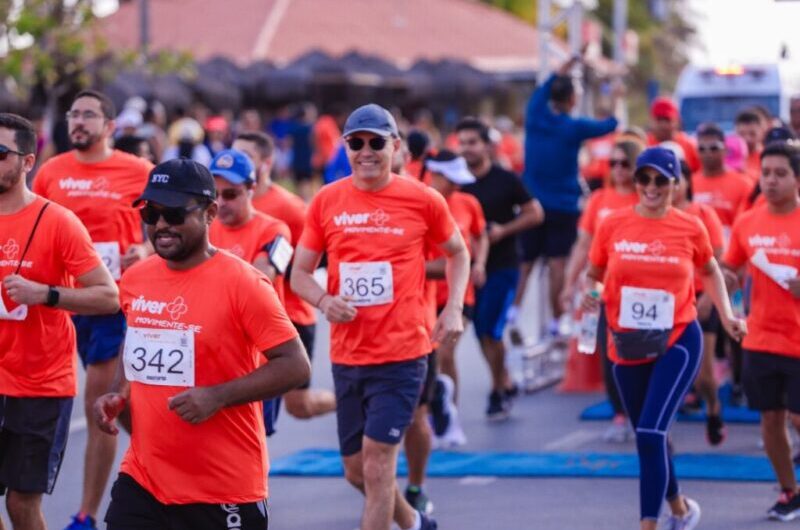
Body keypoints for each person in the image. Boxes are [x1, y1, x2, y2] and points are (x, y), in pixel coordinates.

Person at [96, 158, 310, 530]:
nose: (161, 224)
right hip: (145, 478)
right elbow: (136, 335)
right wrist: (118, 390)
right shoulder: (136, 278)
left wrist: (217, 396)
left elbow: (295, 365)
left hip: (222, 486)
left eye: (175, 213)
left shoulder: (244, 283)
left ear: (210, 213)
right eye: (151, 212)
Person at [291, 103, 470, 530]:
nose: (366, 151)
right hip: (349, 356)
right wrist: (324, 300)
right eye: (356, 143)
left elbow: (458, 253)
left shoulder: (423, 199)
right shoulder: (327, 200)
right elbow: (299, 274)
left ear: (395, 146)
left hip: (403, 354)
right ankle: (415, 524)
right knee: (356, 470)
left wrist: (454, 307)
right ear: (346, 147)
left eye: (376, 143)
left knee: (376, 467)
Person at [585, 146, 745, 529]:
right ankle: (680, 509)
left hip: (676, 337)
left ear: (676, 184)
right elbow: (594, 275)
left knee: (651, 431)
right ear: (635, 181)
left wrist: (727, 314)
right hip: (626, 342)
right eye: (644, 178)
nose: (651, 187)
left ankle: (648, 524)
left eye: (661, 180)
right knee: (649, 436)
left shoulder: (690, 226)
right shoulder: (612, 224)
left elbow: (710, 272)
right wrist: (591, 298)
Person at [31, 89, 153, 530]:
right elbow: (33, 226)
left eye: (88, 115)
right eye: (73, 115)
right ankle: (178, 466)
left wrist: (146, 246)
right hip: (61, 304)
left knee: (100, 404)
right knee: (128, 411)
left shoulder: (137, 171)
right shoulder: (51, 172)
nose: (78, 122)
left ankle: (86, 514)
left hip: (112, 303)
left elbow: (170, 221)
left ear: (110, 126)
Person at [0, 113, 119, 530]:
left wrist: (46, 294)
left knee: (21, 504)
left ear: (27, 162)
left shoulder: (58, 222)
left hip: (39, 386)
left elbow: (108, 296)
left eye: (0, 153)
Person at [233, 132, 336, 421]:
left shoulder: (290, 208)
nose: (238, 160)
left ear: (266, 163)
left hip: (290, 314)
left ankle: (349, 399)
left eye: (247, 156)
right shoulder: (221, 204)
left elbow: (318, 258)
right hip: (243, 315)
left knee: (298, 407)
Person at [517, 56, 620, 345]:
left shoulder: (535, 112)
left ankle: (512, 313)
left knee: (525, 263)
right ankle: (556, 321)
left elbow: (548, 82)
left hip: (531, 203)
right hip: (562, 204)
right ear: (573, 99)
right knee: (557, 264)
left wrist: (568, 64)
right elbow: (610, 124)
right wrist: (614, 97)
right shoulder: (574, 127)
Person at [723, 141, 800, 521]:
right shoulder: (748, 222)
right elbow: (730, 269)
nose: (770, 181)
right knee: (770, 419)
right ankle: (790, 492)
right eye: (765, 173)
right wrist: (722, 283)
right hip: (761, 338)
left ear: (797, 179)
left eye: (780, 174)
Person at [458, 117, 544, 420]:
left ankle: (497, 389)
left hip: (504, 266)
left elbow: (535, 213)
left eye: (473, 142)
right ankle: (504, 380)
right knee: (483, 333)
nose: (467, 149)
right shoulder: (457, 181)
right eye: (462, 143)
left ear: (486, 145)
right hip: (468, 271)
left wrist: (504, 230)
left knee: (490, 329)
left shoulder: (505, 179)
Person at [561, 139, 643, 443]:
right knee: (609, 354)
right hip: (603, 290)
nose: (619, 170)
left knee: (642, 355)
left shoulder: (646, 199)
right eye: (614, 163)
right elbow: (583, 244)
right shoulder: (599, 200)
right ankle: (620, 414)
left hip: (640, 292)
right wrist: (570, 284)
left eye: (626, 163)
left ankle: (645, 414)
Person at [425, 149, 488, 446]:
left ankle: (450, 415)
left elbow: (480, 235)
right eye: (451, 180)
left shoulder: (468, 202)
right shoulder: (420, 203)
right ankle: (434, 410)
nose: (457, 186)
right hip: (424, 295)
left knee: (445, 353)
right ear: (436, 176)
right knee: (428, 360)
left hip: (458, 294)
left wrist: (480, 263)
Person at [674, 160, 727, 446]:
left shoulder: (702, 214)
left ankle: (713, 407)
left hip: (700, 299)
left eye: (672, 179)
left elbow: (717, 260)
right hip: (666, 304)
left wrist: (709, 297)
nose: (665, 186)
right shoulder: (654, 218)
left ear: (686, 183)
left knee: (704, 375)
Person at [691, 123, 753, 242]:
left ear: (725, 150)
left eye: (714, 148)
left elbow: (748, 225)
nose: (707, 153)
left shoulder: (743, 184)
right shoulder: (689, 184)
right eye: (702, 149)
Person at [646, 97, 701, 173]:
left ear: (677, 121)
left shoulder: (690, 146)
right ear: (651, 121)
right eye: (659, 119)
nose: (663, 125)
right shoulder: (644, 145)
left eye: (667, 119)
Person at [736, 109, 766, 182]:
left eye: (752, 134)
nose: (747, 139)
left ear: (762, 132)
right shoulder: (727, 156)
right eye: (742, 134)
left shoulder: (767, 156)